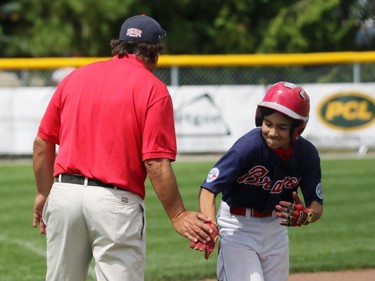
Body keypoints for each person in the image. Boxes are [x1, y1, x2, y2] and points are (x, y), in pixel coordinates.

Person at [32, 14, 213, 281]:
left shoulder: (76, 77)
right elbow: (156, 162)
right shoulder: (154, 89)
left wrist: (43, 193)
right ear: (156, 52)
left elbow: (41, 143)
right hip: (115, 202)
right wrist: (178, 215)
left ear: (118, 45)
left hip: (64, 195)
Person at [191, 81, 324, 281]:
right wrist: (211, 226)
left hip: (276, 229)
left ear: (297, 130)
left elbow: (316, 205)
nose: (272, 132)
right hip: (238, 227)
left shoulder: (307, 154)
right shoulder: (247, 147)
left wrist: (306, 216)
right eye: (268, 123)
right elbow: (209, 189)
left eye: (282, 127)